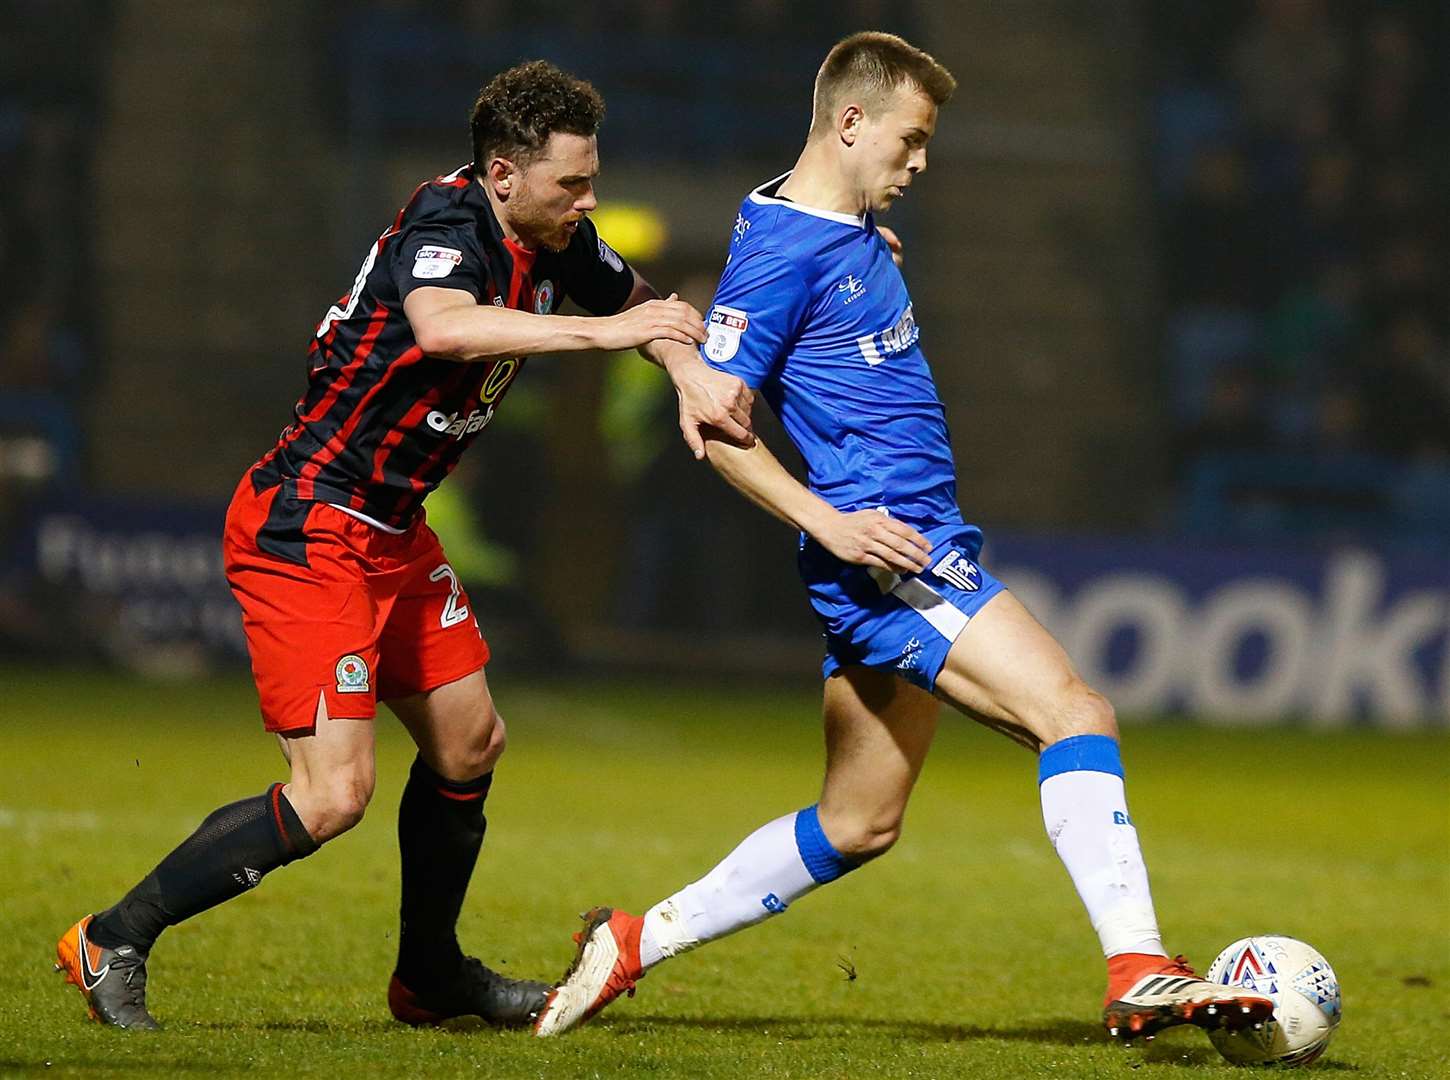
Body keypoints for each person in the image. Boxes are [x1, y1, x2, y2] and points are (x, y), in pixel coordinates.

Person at [532, 33, 1274, 1044]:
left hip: (901, 549)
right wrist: (830, 524)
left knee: (857, 823)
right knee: (1075, 710)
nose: (921, 162)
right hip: (896, 558)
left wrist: (861, 247)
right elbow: (713, 424)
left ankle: (630, 940)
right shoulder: (783, 253)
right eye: (911, 139)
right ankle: (1138, 965)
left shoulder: (840, 232)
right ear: (850, 123)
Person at [54, 60, 754, 1031]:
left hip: (391, 531)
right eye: (571, 184)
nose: (586, 202)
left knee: (470, 743)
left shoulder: (552, 237)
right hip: (309, 521)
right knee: (332, 795)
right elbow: (442, 324)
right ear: (503, 175)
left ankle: (426, 975)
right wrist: (610, 335)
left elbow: (637, 300)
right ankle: (112, 937)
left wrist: (681, 365)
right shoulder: (446, 221)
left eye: (590, 181)